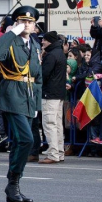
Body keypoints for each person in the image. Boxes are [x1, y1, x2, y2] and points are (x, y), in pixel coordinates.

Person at [0, 6, 42, 202]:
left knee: (22, 142)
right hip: (12, 94)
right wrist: (11, 32)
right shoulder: (10, 41)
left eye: (30, 22)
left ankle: (14, 184)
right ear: (17, 23)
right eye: (23, 21)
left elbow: (38, 76)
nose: (27, 24)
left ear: (35, 25)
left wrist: (37, 103)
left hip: (29, 97)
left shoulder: (35, 45)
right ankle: (13, 182)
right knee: (26, 140)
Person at [40, 31, 67, 164]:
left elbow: (44, 74)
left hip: (50, 94)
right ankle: (59, 152)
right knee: (57, 124)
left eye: (44, 40)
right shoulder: (60, 53)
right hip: (59, 94)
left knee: (49, 124)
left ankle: (53, 154)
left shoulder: (51, 55)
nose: (42, 42)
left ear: (49, 41)